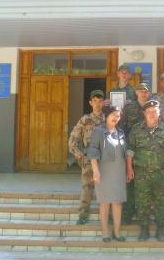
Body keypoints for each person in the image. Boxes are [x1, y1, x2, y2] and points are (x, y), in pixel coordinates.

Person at [126, 100, 164, 242]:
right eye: (149, 111)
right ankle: (144, 230)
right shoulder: (136, 129)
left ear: (159, 113)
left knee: (161, 201)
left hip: (162, 173)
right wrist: (129, 168)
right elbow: (130, 150)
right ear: (144, 113)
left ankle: (160, 229)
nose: (152, 114)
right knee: (142, 202)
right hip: (141, 173)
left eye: (155, 111)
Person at [88, 105, 127, 242]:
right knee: (104, 202)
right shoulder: (98, 131)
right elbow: (93, 151)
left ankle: (117, 232)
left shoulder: (121, 132)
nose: (116, 117)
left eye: (118, 115)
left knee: (117, 203)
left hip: (119, 172)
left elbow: (125, 153)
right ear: (106, 116)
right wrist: (95, 170)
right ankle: (105, 232)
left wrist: (128, 170)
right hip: (103, 171)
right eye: (113, 115)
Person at [68, 90, 105, 225]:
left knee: (106, 188)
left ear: (103, 103)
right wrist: (76, 152)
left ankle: (107, 215)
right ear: (90, 102)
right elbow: (73, 138)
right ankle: (83, 215)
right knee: (87, 188)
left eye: (100, 101)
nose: (97, 104)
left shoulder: (107, 119)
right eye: (94, 101)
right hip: (88, 161)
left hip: (105, 161)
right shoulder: (85, 120)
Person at [119, 82, 151, 224]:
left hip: (148, 152)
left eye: (145, 91)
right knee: (130, 184)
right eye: (140, 90)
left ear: (148, 93)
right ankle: (128, 214)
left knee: (145, 186)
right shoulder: (129, 107)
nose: (143, 93)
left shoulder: (152, 108)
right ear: (136, 92)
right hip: (132, 150)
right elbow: (122, 127)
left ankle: (143, 215)